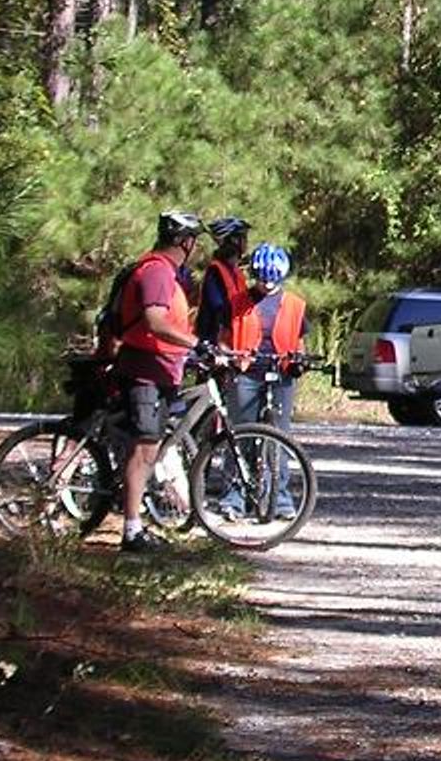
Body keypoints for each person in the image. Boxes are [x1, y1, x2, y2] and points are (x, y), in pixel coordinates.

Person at [110, 211, 205, 553]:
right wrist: (196, 344)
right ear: (186, 241)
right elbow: (155, 321)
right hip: (145, 370)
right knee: (144, 446)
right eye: (195, 240)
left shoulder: (166, 273)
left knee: (150, 445)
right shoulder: (157, 272)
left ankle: (138, 521)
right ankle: (131, 531)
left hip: (160, 369)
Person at [221, 243, 308, 518]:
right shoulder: (237, 302)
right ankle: (234, 498)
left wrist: (300, 361)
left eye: (272, 280)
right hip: (246, 373)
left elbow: (299, 341)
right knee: (241, 435)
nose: (266, 285)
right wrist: (228, 357)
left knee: (280, 437)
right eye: (262, 279)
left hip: (280, 373)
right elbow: (223, 339)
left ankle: (279, 498)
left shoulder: (294, 305)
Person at [194, 216, 250, 347]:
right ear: (235, 240)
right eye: (244, 238)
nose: (247, 243)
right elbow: (218, 309)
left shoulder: (236, 272)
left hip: (235, 340)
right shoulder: (215, 271)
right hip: (215, 343)